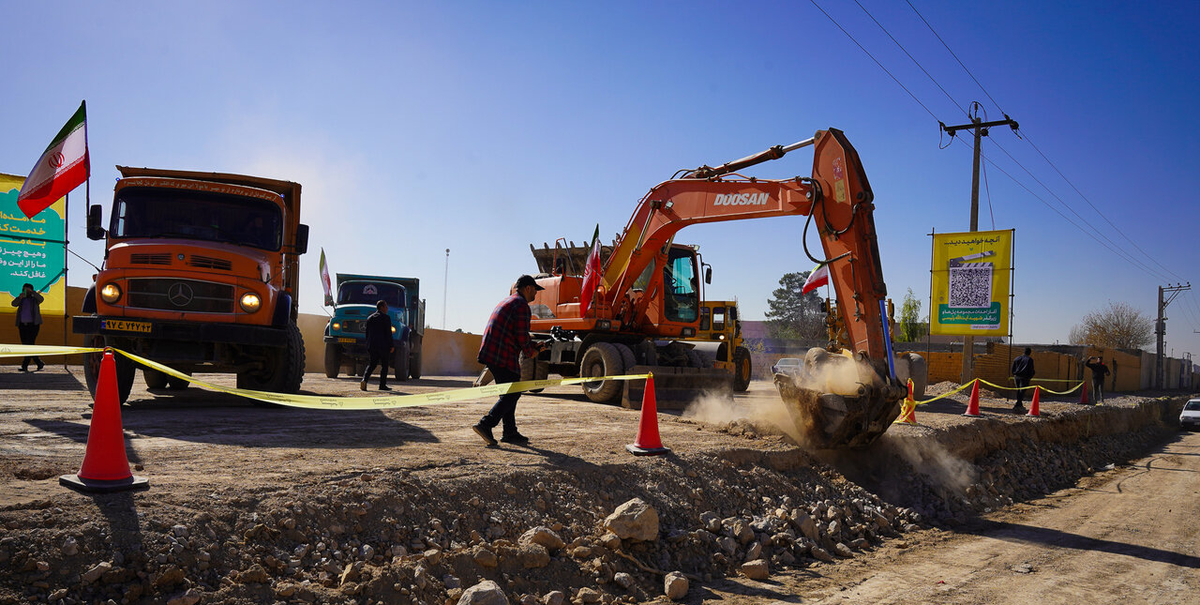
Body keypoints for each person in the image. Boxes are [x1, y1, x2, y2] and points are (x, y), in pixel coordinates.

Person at [472, 274, 546, 446]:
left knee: (508, 393)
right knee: (513, 393)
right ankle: (486, 424)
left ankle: (510, 432)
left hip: (494, 352)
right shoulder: (521, 305)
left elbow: (515, 334)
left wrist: (532, 346)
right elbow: (521, 335)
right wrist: (532, 351)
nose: (536, 293)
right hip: (502, 354)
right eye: (535, 290)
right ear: (528, 288)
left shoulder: (509, 301)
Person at [360, 300, 394, 391]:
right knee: (384, 365)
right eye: (386, 306)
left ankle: (364, 380)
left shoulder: (370, 318)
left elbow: (367, 333)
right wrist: (391, 345)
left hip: (372, 345)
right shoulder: (386, 318)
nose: (387, 308)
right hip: (383, 346)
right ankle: (382, 385)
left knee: (372, 364)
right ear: (381, 307)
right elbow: (388, 333)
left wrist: (368, 345)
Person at [11, 283, 44, 372]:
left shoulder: (35, 300)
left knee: (29, 344)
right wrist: (19, 298)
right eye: (24, 289)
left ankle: (25, 365)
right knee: (26, 345)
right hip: (22, 325)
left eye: (27, 290)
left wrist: (33, 292)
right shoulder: (21, 299)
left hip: (33, 325)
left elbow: (41, 299)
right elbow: (13, 304)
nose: (25, 291)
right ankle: (38, 362)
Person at [1010, 347, 1035, 413]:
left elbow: (1013, 369)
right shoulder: (1029, 360)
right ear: (1029, 353)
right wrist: (1030, 377)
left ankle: (1019, 404)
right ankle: (1018, 404)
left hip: (1017, 377)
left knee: (1019, 390)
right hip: (1024, 377)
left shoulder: (1017, 358)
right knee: (1022, 391)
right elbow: (1031, 370)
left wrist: (1015, 374)